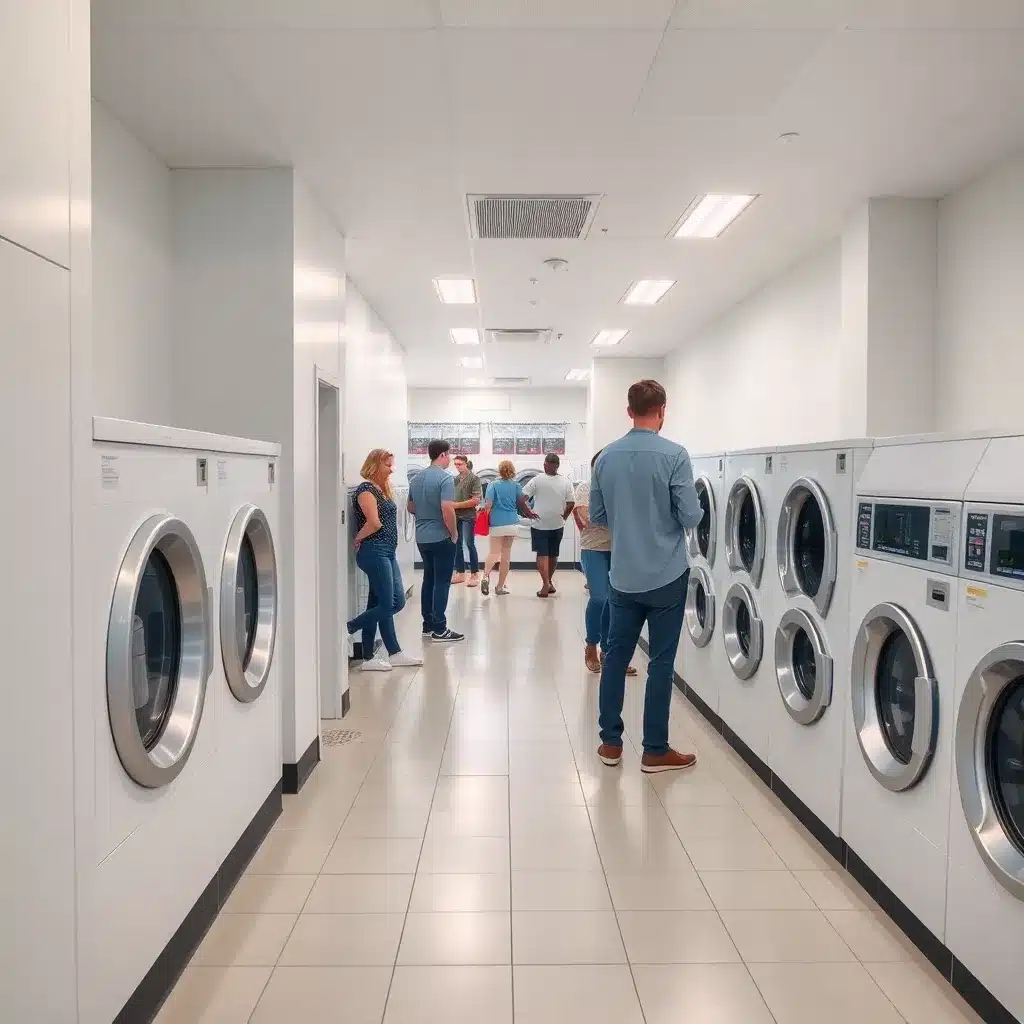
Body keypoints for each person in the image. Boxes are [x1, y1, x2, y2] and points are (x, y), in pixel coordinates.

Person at [590, 379, 703, 773]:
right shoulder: (675, 455)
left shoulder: (606, 458)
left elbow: (599, 517)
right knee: (660, 662)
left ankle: (610, 744)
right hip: (667, 576)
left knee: (616, 657)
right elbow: (690, 516)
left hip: (622, 575)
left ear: (628, 411)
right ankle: (654, 750)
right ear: (662, 410)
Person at [344, 449, 423, 672]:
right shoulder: (366, 489)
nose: (392, 469)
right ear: (376, 465)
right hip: (374, 551)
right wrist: (357, 538)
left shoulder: (382, 489)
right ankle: (348, 628)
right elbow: (374, 523)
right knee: (393, 603)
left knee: (379, 604)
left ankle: (379, 655)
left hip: (387, 551)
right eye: (388, 465)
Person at [573, 450, 637, 678]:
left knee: (616, 600)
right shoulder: (585, 487)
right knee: (600, 597)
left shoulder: (622, 488)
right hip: (594, 549)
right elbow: (588, 517)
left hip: (619, 548)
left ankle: (609, 653)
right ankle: (591, 645)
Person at [408, 439, 464, 643]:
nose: (449, 459)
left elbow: (411, 508)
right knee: (442, 581)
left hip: (422, 537)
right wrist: (454, 533)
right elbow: (447, 509)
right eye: (448, 455)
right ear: (442, 455)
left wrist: (425, 510)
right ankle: (440, 628)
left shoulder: (416, 479)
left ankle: (428, 625)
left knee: (428, 579)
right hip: (441, 536)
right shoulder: (445, 478)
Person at [480, 459, 537, 596]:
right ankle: (499, 587)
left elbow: (488, 505)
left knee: (494, 552)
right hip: (512, 523)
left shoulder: (492, 485)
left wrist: (482, 513)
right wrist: (531, 514)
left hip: (497, 523)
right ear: (512, 471)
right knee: (506, 555)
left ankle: (485, 576)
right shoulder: (516, 486)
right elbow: (522, 505)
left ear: (499, 470)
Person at [522, 453, 575, 598]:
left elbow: (521, 498)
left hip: (539, 523)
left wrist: (528, 512)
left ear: (546, 464)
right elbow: (571, 503)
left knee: (542, 554)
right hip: (557, 523)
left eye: (545, 464)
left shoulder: (537, 480)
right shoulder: (565, 482)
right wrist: (564, 516)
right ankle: (549, 582)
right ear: (558, 465)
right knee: (553, 554)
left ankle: (545, 584)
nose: (545, 466)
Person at [452, 455, 483, 587]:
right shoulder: (455, 479)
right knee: (457, 544)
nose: (458, 467)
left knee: (470, 544)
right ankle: (460, 572)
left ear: (466, 464)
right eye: (456, 464)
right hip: (456, 516)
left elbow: (476, 501)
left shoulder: (474, 479)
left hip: (468, 517)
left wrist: (456, 505)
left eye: (460, 464)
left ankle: (475, 573)